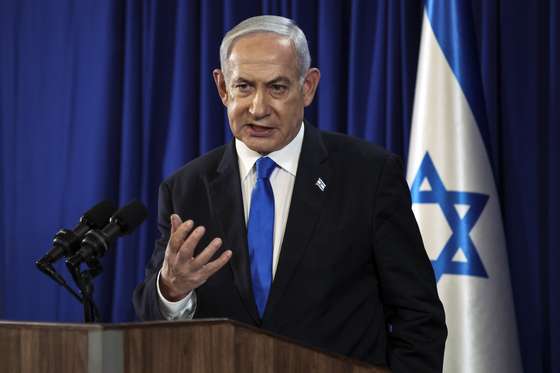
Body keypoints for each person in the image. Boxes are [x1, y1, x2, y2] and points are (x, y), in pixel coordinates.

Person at [133, 15, 446, 372]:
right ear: (222, 88)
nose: (258, 108)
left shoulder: (369, 176)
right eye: (244, 87)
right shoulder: (185, 189)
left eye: (277, 88)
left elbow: (418, 317)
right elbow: (149, 320)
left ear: (308, 86)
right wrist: (172, 290)